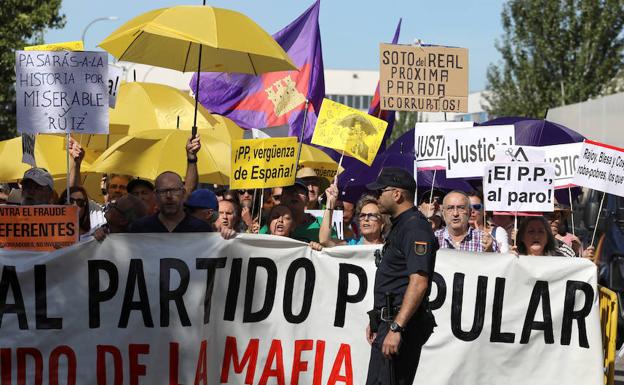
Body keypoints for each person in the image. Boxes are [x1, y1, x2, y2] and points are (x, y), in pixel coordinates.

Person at [364, 167, 438, 385]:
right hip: (389, 321)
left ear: (397, 194)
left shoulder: (415, 228)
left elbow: (418, 282)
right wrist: (378, 318)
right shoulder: (401, 225)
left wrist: (397, 327)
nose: (376, 197)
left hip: (402, 327)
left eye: (381, 191)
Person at [129, 171, 213, 233]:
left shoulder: (201, 229)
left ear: (183, 193)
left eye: (174, 190)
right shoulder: (140, 228)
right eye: (163, 191)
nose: (169, 196)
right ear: (155, 195)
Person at [259, 180, 335, 242]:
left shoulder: (322, 224)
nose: (294, 194)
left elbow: (336, 246)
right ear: (281, 198)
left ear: (307, 200)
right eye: (290, 191)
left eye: (300, 192)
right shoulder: (271, 225)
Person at [320, 183, 387, 247]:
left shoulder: (390, 247)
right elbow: (325, 241)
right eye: (362, 215)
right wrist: (330, 202)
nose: (366, 219)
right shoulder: (352, 245)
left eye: (372, 216)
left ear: (383, 223)